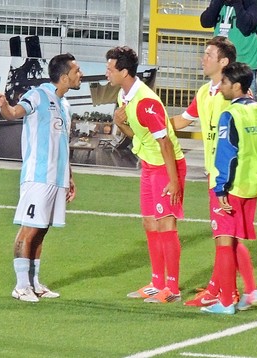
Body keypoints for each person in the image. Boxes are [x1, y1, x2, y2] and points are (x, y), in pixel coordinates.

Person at [171, 36, 257, 308]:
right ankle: (222, 288)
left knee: (226, 236)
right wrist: (147, 119)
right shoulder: (204, 92)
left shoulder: (235, 95)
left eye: (208, 54)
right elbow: (181, 121)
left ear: (224, 61)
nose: (202, 58)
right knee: (226, 236)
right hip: (216, 174)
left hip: (230, 178)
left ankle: (232, 294)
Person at [0, 53, 80, 302]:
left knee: (42, 230)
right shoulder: (38, 95)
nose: (80, 75)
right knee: (28, 230)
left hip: (57, 178)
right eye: (76, 71)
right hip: (37, 177)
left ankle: (34, 283)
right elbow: (15, 113)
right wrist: (3, 105)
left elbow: (62, 143)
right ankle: (20, 286)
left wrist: (69, 177)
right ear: (64, 77)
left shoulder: (65, 104)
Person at [200, 62, 257, 315]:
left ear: (236, 86)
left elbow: (227, 154)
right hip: (254, 185)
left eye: (224, 83)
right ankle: (250, 291)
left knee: (224, 241)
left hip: (233, 187)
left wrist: (220, 188)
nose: (221, 87)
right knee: (234, 239)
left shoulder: (230, 114)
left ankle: (226, 302)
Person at [105, 46, 186, 304]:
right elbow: (137, 136)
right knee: (150, 222)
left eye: (110, 68)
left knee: (166, 223)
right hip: (150, 164)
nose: (106, 72)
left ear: (124, 71)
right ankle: (156, 282)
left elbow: (166, 144)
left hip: (165, 165)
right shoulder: (123, 96)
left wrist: (174, 181)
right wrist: (119, 123)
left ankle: (172, 288)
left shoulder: (146, 102)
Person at [200, 0, 257, 96]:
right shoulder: (220, 2)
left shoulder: (253, 2)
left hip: (243, 68)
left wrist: (237, 3)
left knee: (244, 106)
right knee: (217, 104)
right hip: (220, 66)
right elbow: (205, 22)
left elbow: (246, 26)